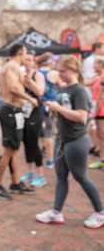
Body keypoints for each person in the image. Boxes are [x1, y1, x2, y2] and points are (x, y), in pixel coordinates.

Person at [36, 55, 104, 229]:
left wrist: (58, 108)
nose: (60, 74)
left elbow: (81, 116)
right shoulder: (63, 88)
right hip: (62, 138)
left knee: (80, 176)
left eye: (63, 71)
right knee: (60, 175)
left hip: (76, 139)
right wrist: (53, 109)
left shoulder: (79, 90)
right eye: (59, 71)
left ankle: (100, 212)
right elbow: (62, 114)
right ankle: (56, 212)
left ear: (73, 70)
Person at [0, 44, 38, 200]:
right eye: (25, 53)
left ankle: (15, 182)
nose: (26, 57)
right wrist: (30, 98)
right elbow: (12, 88)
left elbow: (16, 87)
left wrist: (26, 82)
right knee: (9, 150)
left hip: (14, 111)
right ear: (19, 53)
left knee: (14, 150)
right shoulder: (11, 67)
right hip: (10, 111)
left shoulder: (15, 68)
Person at [19, 51, 46, 188]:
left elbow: (40, 92)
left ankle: (40, 174)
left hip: (35, 112)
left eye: (29, 60)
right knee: (26, 141)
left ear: (34, 62)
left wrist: (30, 81)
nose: (26, 62)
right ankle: (30, 171)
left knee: (34, 142)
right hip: (24, 112)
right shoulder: (21, 74)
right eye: (25, 59)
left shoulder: (38, 75)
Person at [38, 52, 64, 168]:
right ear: (49, 61)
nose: (54, 63)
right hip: (50, 106)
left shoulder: (37, 71)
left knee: (43, 132)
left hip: (39, 106)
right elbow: (63, 87)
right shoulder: (53, 73)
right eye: (53, 60)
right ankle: (50, 159)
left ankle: (44, 151)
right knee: (50, 132)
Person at [87, 56, 104, 169]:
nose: (93, 66)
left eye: (95, 64)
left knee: (102, 134)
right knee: (99, 135)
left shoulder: (102, 77)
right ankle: (102, 159)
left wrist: (95, 112)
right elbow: (86, 83)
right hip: (98, 108)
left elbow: (100, 97)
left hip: (101, 109)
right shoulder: (98, 77)